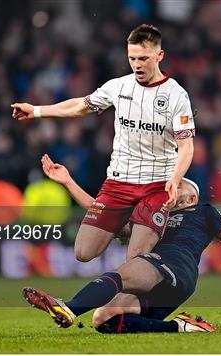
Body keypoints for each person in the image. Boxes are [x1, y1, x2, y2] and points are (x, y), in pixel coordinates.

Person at [23, 166, 221, 333]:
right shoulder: (154, 216)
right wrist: (68, 182)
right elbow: (101, 213)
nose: (172, 187)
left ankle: (70, 308)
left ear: (191, 195)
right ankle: (181, 328)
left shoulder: (204, 212)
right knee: (105, 320)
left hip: (173, 267)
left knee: (121, 273)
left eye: (179, 185)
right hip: (165, 281)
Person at [11, 24, 195, 263]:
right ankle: (129, 228)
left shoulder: (177, 96)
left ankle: (145, 243)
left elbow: (186, 147)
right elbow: (79, 106)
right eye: (132, 58)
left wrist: (175, 178)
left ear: (159, 56)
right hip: (118, 183)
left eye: (143, 58)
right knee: (83, 252)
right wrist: (36, 111)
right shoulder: (118, 87)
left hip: (157, 185)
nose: (137, 64)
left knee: (136, 258)